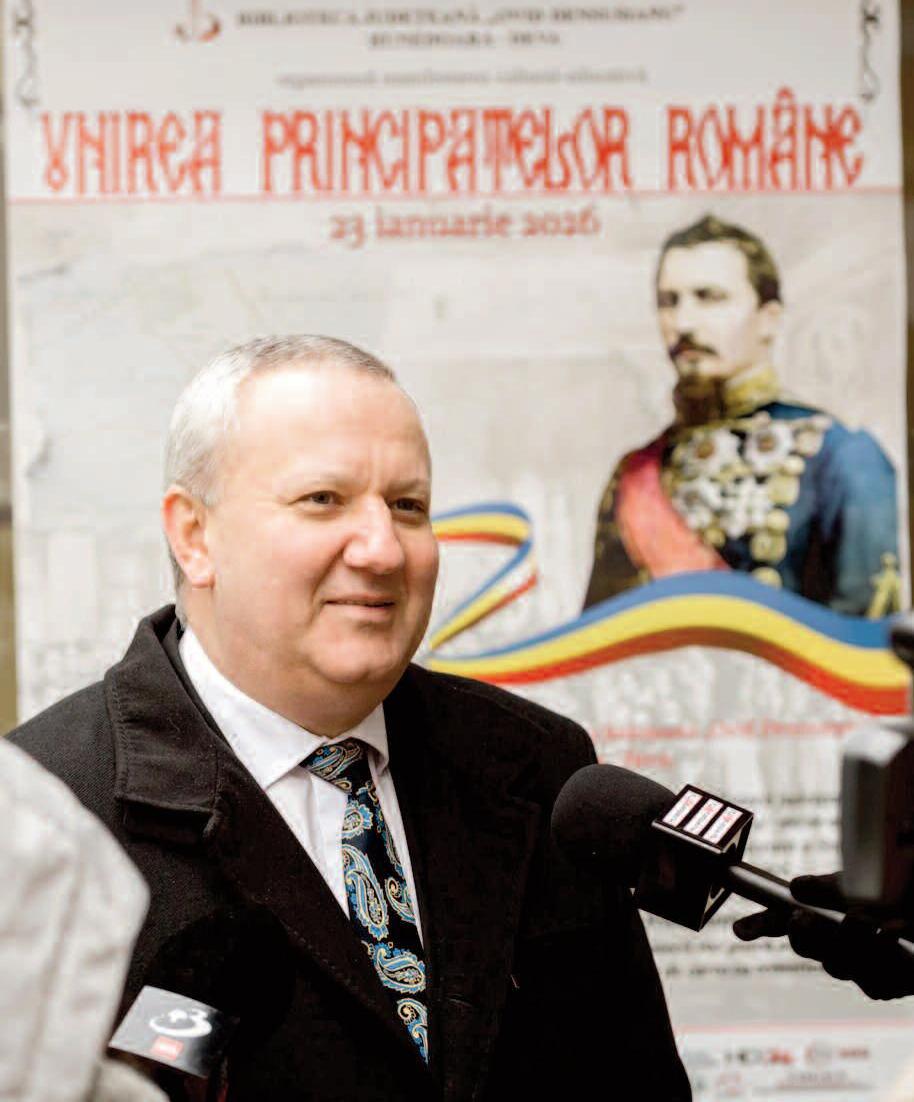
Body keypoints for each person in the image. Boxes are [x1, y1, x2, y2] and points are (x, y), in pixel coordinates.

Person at [9, 335, 690, 1101]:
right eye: (323, 500)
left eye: (408, 506)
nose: (382, 550)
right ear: (195, 536)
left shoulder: (538, 767)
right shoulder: (41, 820)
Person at [583, 215, 900, 618]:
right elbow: (599, 638)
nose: (683, 323)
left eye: (709, 297)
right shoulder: (635, 475)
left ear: (769, 318)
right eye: (668, 302)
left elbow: (864, 637)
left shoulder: (840, 457)